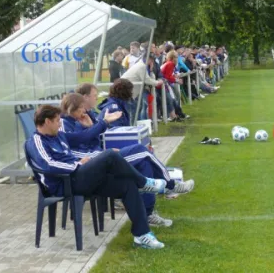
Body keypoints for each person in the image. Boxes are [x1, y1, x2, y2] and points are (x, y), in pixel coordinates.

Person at [25, 104, 167, 249]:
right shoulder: (35, 141)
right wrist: (77, 164)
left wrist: (97, 125)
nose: (60, 124)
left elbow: (83, 137)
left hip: (79, 178)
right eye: (57, 121)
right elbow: (48, 164)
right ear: (47, 122)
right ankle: (144, 183)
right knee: (109, 155)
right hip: (64, 184)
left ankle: (142, 235)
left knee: (128, 185)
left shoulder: (59, 135)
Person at [67, 88, 195, 226]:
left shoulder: (86, 116)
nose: (96, 98)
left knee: (145, 163)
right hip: (96, 165)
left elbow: (93, 142)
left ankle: (148, 214)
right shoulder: (66, 124)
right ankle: (171, 185)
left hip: (102, 158)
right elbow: (76, 149)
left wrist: (92, 128)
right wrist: (103, 148)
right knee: (142, 151)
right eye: (94, 96)